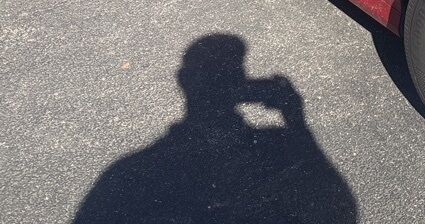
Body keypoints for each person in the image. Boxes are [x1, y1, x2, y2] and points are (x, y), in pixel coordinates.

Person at [74, 34, 358, 223]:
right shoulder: (277, 145)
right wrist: (296, 121)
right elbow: (339, 207)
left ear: (183, 80)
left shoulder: (129, 174)